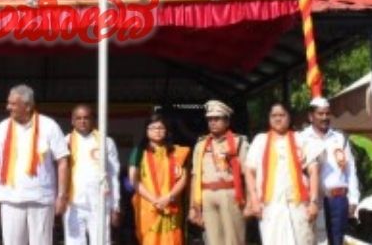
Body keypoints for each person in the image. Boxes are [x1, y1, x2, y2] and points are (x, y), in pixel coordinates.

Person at [0, 84, 70, 245]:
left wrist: (62, 196)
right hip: (10, 198)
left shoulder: (49, 126)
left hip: (41, 198)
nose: (8, 107)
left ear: (28, 106)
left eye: (13, 104)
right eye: (8, 103)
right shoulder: (2, 128)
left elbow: (62, 161)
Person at [245, 102, 320, 245]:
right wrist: (254, 200)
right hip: (270, 207)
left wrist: (314, 202)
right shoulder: (260, 140)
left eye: (282, 115)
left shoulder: (300, 139)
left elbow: (313, 170)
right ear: (269, 118)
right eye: (274, 115)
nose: (278, 118)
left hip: (298, 206)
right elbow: (249, 171)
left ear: (289, 117)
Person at [299, 96, 360, 245]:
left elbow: (350, 169)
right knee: (314, 241)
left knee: (337, 241)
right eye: (320, 114)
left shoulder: (339, 138)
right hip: (313, 202)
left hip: (338, 200)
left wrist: (353, 199)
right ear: (311, 116)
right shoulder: (301, 138)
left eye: (327, 113)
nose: (325, 117)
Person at [188, 100, 250, 245]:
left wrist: (250, 201)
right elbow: (195, 176)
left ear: (227, 121)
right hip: (206, 196)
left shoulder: (239, 142)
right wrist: (193, 207)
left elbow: (248, 174)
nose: (213, 122)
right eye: (210, 119)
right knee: (212, 240)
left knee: (233, 240)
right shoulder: (201, 145)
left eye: (217, 118)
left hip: (231, 194)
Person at [128, 112, 189, 245]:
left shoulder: (177, 152)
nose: (157, 131)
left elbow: (184, 178)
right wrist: (154, 200)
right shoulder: (139, 152)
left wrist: (169, 197)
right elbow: (134, 179)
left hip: (171, 203)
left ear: (167, 131)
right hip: (148, 204)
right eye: (153, 128)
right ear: (146, 131)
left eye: (161, 128)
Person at [63, 104, 120, 245]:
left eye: (86, 118)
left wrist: (116, 205)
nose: (82, 121)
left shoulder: (106, 142)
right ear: (72, 121)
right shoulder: (65, 142)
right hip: (73, 203)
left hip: (99, 202)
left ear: (93, 120)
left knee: (101, 241)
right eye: (78, 118)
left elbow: (113, 175)